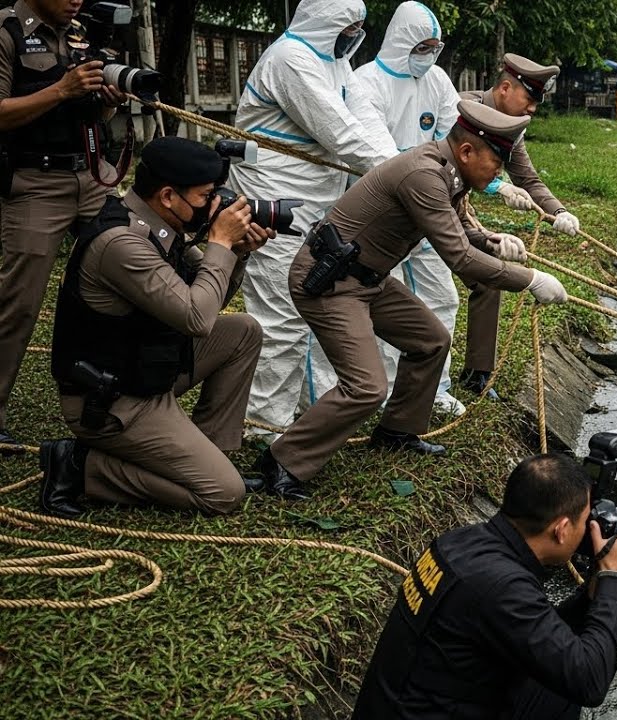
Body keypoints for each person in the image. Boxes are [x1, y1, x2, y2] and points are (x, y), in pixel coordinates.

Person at [252, 100, 569, 500]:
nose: (499, 175)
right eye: (496, 163)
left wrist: (490, 240)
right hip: (331, 281)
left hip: (368, 279)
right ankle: (280, 462)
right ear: (467, 151)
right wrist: (530, 279)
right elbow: (460, 258)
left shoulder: (448, 173)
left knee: (431, 340)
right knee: (366, 386)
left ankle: (397, 430)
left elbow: (459, 232)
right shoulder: (424, 175)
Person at [38, 137, 273, 517]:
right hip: (112, 401)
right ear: (167, 196)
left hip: (146, 370)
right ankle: (80, 467)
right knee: (223, 495)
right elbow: (196, 318)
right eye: (205, 196)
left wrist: (237, 252)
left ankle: (209, 453)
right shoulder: (123, 243)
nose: (214, 205)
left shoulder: (160, 226)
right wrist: (219, 243)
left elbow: (206, 302)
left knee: (243, 331)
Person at [340, 1, 529, 418]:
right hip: (385, 216)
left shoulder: (437, 79)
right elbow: (377, 154)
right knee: (381, 304)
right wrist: (530, 280)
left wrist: (496, 184)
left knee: (441, 297)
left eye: (435, 48)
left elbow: (459, 142)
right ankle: (386, 390)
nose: (429, 55)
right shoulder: (365, 83)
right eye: (422, 47)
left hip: (432, 207)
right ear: (401, 41)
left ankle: (434, 389)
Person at [352, 452, 617, 719]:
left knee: (555, 682)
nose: (589, 527)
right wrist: (614, 576)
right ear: (562, 529)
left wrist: (593, 592)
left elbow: (542, 634)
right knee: (565, 691)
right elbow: (590, 681)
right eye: (586, 519)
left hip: (394, 704)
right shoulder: (502, 587)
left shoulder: (459, 543)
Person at [227, 0, 386, 438]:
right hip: (274, 203)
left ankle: (313, 405)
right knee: (281, 312)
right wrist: (404, 178)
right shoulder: (290, 59)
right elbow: (342, 133)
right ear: (326, 20)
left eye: (358, 28)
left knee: (320, 299)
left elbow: (365, 120)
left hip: (319, 204)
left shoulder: (335, 63)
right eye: (347, 27)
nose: (353, 36)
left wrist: (402, 164)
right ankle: (265, 422)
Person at [0, 0, 127, 449]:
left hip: (91, 175)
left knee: (132, 266)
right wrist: (62, 89)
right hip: (35, 182)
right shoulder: (7, 32)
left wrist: (106, 102)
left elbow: (89, 113)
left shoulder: (81, 33)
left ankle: (130, 397)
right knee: (18, 303)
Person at [455, 53, 581, 400]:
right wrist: (498, 187)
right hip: (431, 204)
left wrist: (559, 212)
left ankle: (478, 373)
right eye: (529, 99)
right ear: (506, 88)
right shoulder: (462, 108)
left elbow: (528, 178)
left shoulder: (512, 126)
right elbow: (441, 158)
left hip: (457, 207)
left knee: (487, 273)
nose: (533, 109)